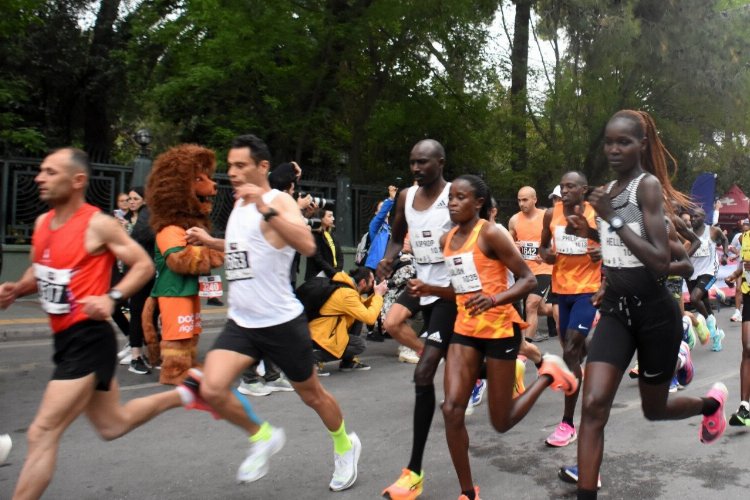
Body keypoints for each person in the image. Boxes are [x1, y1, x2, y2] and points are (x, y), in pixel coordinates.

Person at [0, 148, 212, 500]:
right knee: (112, 424)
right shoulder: (42, 224)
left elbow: (142, 264)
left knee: (42, 433)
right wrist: (18, 288)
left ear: (77, 180)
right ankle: (187, 391)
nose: (40, 178)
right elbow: (41, 267)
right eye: (41, 171)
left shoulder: (97, 224)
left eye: (50, 172)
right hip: (63, 339)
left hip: (88, 338)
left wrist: (111, 298)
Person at [184, 134, 361, 491]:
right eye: (230, 165)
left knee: (312, 396)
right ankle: (262, 436)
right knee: (213, 388)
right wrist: (209, 240)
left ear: (262, 167)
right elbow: (245, 248)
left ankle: (345, 444)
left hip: (280, 322)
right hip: (243, 322)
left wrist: (265, 207)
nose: (232, 173)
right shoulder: (239, 205)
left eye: (240, 166)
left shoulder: (278, 200)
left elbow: (306, 243)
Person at [568, 110, 728, 499]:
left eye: (624, 142)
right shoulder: (607, 191)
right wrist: (591, 229)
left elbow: (659, 261)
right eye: (609, 142)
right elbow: (617, 247)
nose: (614, 149)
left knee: (653, 409)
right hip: (617, 311)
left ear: (642, 145)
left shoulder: (647, 187)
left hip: (657, 314)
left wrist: (612, 218)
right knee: (592, 406)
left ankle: (710, 405)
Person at [440, 175, 578, 500]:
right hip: (464, 330)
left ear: (478, 204)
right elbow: (458, 289)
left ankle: (547, 375)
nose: (453, 203)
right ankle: (467, 492)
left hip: (499, 328)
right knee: (451, 409)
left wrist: (493, 299)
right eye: (451, 197)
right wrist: (427, 290)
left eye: (461, 197)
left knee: (501, 422)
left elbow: (528, 279)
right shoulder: (447, 238)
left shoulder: (492, 233)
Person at [378, 139, 457, 499]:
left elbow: (476, 238)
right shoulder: (405, 197)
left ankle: (414, 472)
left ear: (440, 163)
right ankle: (438, 352)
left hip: (450, 291)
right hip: (420, 281)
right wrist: (387, 259)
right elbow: (396, 236)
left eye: (423, 162)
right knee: (391, 322)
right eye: (412, 162)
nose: (415, 168)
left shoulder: (456, 196)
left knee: (424, 373)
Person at [539, 171, 602, 448]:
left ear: (583, 190)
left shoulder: (595, 213)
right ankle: (582, 362)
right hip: (561, 289)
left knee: (569, 350)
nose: (565, 190)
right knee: (570, 348)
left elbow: (614, 242)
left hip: (587, 289)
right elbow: (543, 247)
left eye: (571, 186)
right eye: (562, 186)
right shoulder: (550, 214)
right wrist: (547, 255)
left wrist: (603, 251)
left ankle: (567, 423)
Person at [306, 266, 387, 372]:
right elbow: (370, 318)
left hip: (320, 331)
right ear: (363, 282)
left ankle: (347, 362)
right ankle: (311, 359)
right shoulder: (347, 294)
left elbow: (361, 306)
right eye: (372, 282)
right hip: (320, 335)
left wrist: (375, 295)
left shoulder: (345, 287)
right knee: (359, 345)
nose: (373, 285)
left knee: (358, 319)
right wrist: (378, 295)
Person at [508, 186, 555, 342]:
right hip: (524, 271)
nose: (522, 203)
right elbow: (508, 244)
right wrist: (515, 246)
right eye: (519, 200)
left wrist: (547, 254)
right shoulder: (514, 220)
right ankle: (560, 309)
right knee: (540, 308)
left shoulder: (546, 217)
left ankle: (525, 348)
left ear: (535, 199)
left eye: (525, 200)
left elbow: (557, 240)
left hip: (544, 268)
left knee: (530, 304)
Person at [687, 206, 729, 351]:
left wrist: (725, 254)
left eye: (696, 216)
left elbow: (724, 240)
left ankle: (711, 329)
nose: (693, 218)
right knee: (704, 306)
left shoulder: (712, 231)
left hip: (709, 270)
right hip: (693, 273)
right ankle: (717, 335)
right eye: (692, 216)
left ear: (703, 218)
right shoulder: (688, 233)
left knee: (694, 298)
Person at [724, 219, 750, 426]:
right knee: (748, 348)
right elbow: (744, 263)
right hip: (749, 296)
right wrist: (735, 274)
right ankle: (745, 407)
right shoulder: (745, 237)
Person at [305, 208, 343, 280]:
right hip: (318, 276)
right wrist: (333, 272)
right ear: (321, 219)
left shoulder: (331, 235)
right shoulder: (315, 235)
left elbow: (340, 255)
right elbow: (318, 258)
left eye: (332, 216)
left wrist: (338, 271)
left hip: (332, 275)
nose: (333, 218)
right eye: (329, 216)